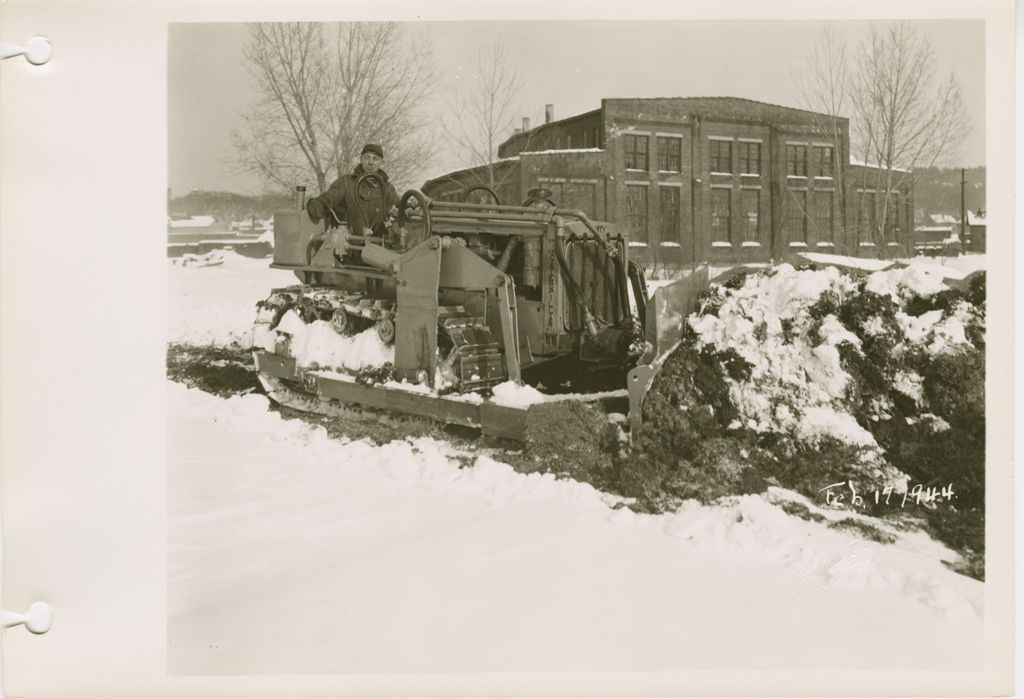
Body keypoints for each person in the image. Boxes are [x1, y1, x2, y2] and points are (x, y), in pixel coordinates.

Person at [306, 144, 400, 234]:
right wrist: (318, 204)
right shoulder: (346, 182)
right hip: (350, 244)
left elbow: (398, 209)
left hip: (379, 245)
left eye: (375, 159)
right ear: (361, 159)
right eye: (367, 157)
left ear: (381, 162)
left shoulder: (388, 188)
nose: (370, 162)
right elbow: (330, 198)